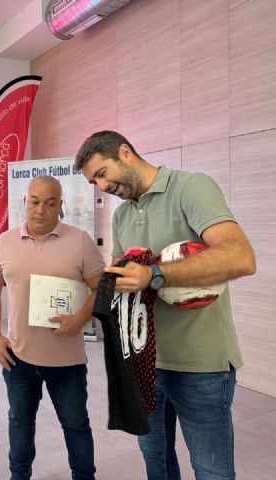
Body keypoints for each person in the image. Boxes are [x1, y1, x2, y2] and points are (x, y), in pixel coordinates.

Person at [75, 130, 256, 480]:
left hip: (200, 365)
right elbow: (120, 279)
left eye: (101, 174)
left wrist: (155, 274)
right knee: (155, 462)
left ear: (124, 152)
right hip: (144, 365)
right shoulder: (122, 215)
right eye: (93, 181)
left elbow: (241, 257)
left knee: (211, 470)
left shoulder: (192, 188)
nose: (100, 186)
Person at [0, 175, 103, 480]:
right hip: (19, 357)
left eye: (50, 203)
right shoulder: (5, 242)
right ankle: (19, 476)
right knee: (20, 421)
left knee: (76, 424)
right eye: (35, 202)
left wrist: (80, 319)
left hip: (68, 360)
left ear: (60, 206)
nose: (41, 210)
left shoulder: (80, 241)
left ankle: (84, 476)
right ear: (25, 202)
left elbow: (102, 289)